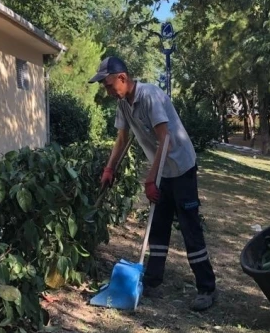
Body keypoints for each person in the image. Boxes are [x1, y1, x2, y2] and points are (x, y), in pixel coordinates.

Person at [89, 56, 218, 311]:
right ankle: (152, 281)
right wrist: (109, 168)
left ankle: (207, 288)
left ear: (123, 78)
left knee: (189, 226)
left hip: (181, 167)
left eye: (108, 84)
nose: (107, 90)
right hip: (162, 170)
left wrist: (150, 177)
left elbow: (165, 138)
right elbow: (122, 137)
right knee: (158, 227)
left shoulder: (150, 96)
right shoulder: (123, 103)